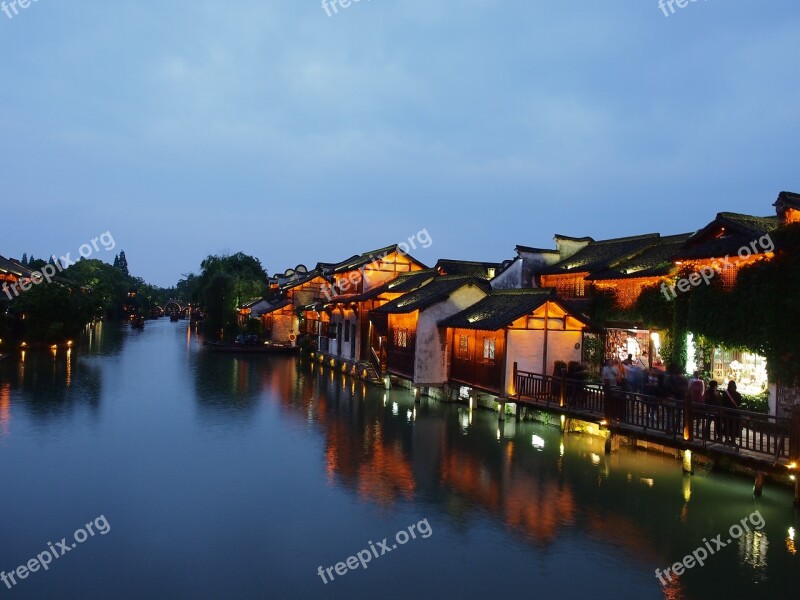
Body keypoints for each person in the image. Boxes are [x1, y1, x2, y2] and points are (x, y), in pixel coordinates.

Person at [722, 380, 743, 444]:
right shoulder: (738, 395)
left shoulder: (725, 394)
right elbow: (739, 404)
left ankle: (726, 439)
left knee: (727, 425)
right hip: (735, 413)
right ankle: (733, 440)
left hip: (727, 413)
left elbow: (723, 403)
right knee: (734, 426)